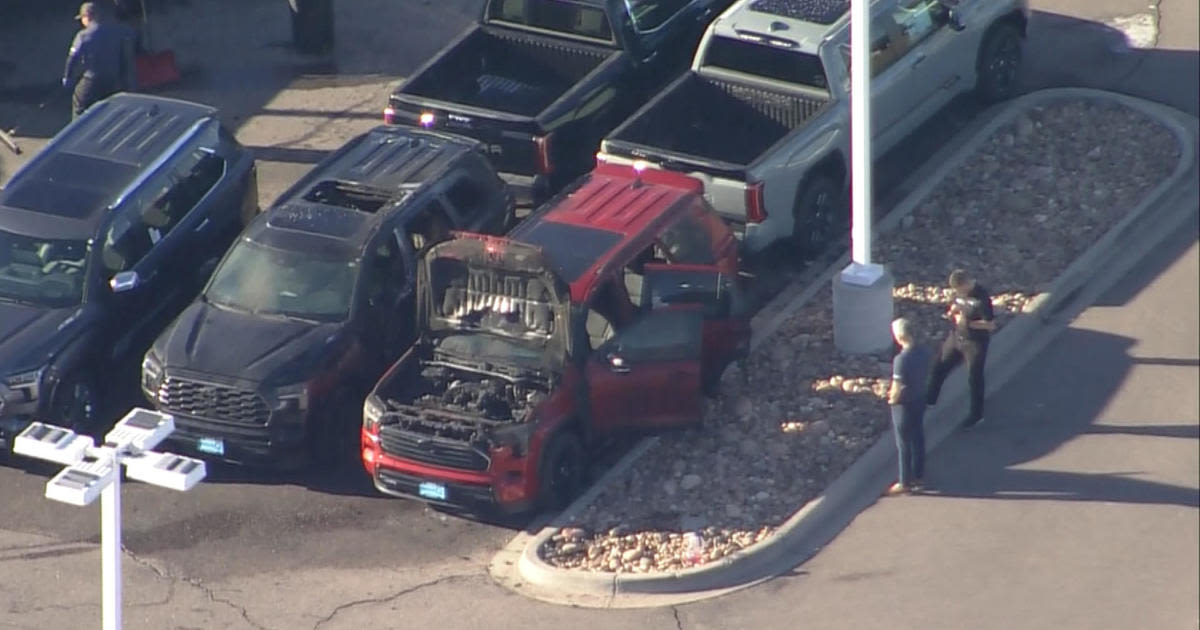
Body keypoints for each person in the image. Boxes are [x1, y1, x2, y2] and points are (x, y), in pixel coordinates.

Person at [926, 268, 996, 429]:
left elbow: (990, 325)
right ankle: (930, 399)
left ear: (966, 284)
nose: (958, 292)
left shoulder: (981, 298)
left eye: (959, 289)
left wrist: (969, 324)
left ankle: (976, 415)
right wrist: (953, 313)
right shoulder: (959, 294)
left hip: (975, 343)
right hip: (957, 337)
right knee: (939, 366)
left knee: (974, 378)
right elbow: (956, 306)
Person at [63, 2, 137, 119]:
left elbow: (73, 58)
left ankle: (78, 132)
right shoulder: (116, 31)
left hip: (91, 78)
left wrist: (67, 77)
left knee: (79, 103)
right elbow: (124, 57)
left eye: (82, 18)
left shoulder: (83, 35)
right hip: (112, 79)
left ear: (87, 16)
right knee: (109, 108)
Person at [886, 317, 932, 495]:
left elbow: (897, 387)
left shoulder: (901, 360)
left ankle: (904, 480)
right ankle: (919, 475)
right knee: (918, 437)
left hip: (904, 404)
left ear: (899, 336)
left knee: (903, 442)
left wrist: (891, 399)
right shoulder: (924, 352)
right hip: (920, 398)